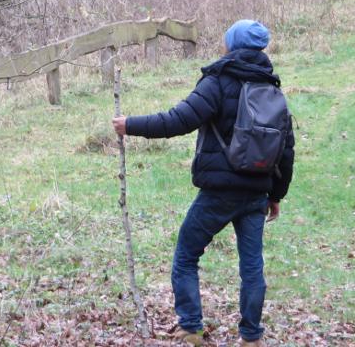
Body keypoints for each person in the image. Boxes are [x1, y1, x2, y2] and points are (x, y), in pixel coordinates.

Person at [111, 20, 295, 346]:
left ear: (232, 45)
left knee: (186, 256)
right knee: (252, 267)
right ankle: (251, 337)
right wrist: (276, 195)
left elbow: (178, 119)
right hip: (256, 192)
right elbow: (286, 148)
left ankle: (191, 327)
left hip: (219, 193)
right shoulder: (272, 88)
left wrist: (131, 125)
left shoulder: (218, 82)